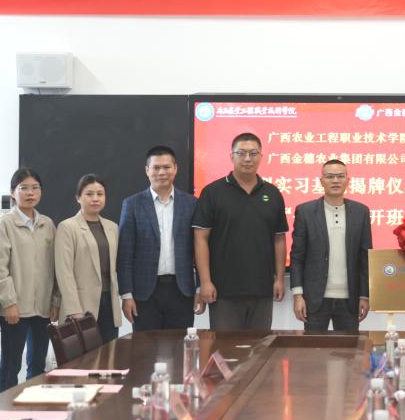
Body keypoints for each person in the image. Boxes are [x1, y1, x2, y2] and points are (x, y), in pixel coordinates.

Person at [193, 132, 289, 330]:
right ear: (231, 156)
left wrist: (280, 279)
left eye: (253, 153)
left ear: (261, 156)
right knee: (225, 347)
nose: (247, 159)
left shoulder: (272, 193)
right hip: (223, 290)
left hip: (262, 288)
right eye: (241, 153)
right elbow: (200, 238)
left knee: (260, 346)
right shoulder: (213, 192)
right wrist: (205, 281)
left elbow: (279, 238)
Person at [0, 168, 58, 394]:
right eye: (24, 188)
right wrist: (9, 303)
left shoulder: (47, 224)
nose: (30, 193)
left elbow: (54, 267)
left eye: (35, 188)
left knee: (37, 365)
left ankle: (32, 408)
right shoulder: (5, 224)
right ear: (12, 193)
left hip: (42, 309)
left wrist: (55, 301)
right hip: (15, 309)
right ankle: (3, 411)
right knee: (10, 366)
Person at [117, 145, 201, 331]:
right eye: (156, 168)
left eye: (166, 167)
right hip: (144, 292)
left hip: (181, 290)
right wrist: (126, 294)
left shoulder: (191, 204)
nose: (162, 172)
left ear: (175, 169)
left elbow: (200, 248)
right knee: (145, 347)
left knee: (179, 345)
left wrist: (199, 288)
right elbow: (125, 253)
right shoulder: (132, 204)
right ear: (147, 170)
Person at [290, 160, 373, 332]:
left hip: (350, 300)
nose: (335, 180)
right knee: (314, 348)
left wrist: (364, 295)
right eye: (329, 176)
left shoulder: (361, 212)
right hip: (314, 298)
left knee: (349, 349)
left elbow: (365, 258)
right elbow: (297, 257)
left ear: (348, 180)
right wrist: (298, 295)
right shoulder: (305, 212)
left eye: (340, 176)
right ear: (321, 181)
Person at [55, 174, 122, 343]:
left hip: (109, 302)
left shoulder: (112, 227)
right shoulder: (67, 227)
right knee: (83, 357)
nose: (95, 198)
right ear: (78, 197)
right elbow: (64, 272)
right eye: (89, 194)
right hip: (81, 304)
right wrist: (74, 309)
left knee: (109, 354)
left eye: (100, 194)